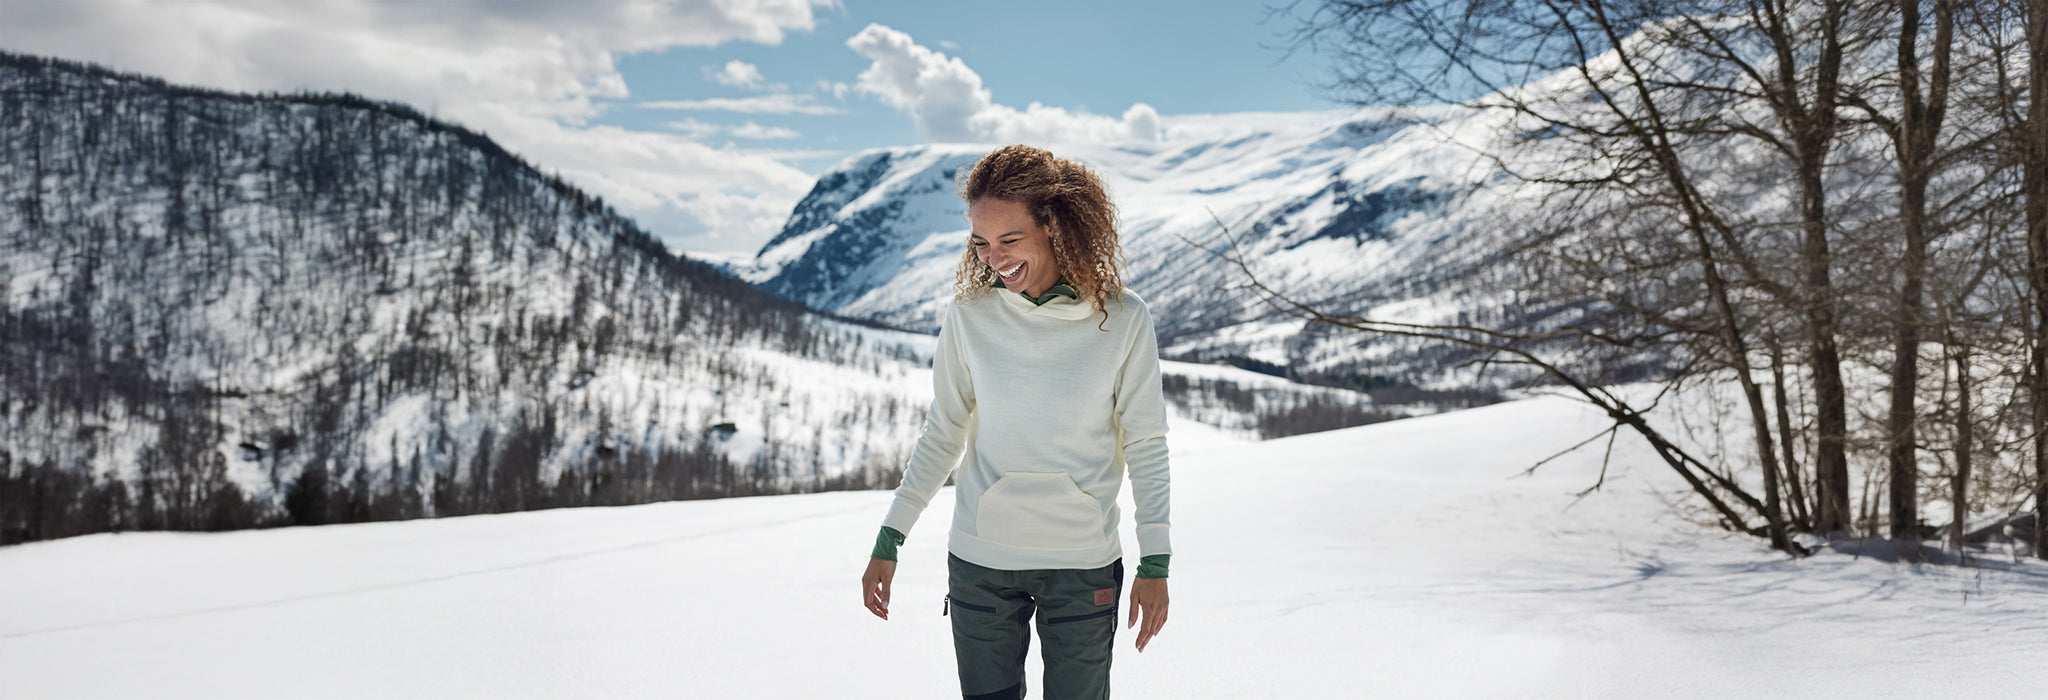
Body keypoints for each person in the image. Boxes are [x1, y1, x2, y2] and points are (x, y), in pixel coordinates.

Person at [859, 144, 1172, 700]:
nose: (994, 259)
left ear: (1052, 225)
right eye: (981, 243)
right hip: (982, 562)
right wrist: (890, 537)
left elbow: (1146, 442)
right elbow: (944, 430)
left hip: (1082, 566)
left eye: (1009, 239)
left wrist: (1156, 560)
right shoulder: (970, 315)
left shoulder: (1123, 318)